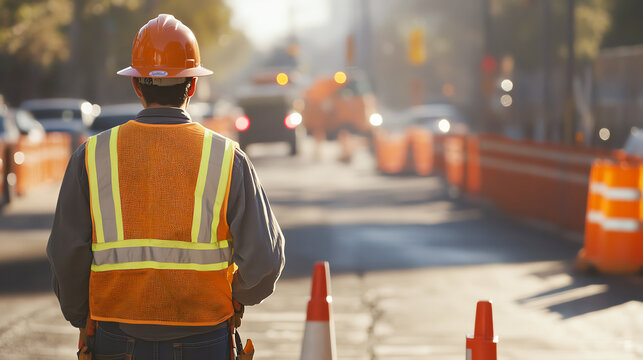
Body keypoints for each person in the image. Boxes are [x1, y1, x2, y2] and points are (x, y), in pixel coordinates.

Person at [47, 14, 285, 359]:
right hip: (204, 335)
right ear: (192, 85)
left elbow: (66, 253)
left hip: (115, 334)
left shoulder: (92, 155)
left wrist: (81, 316)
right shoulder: (226, 156)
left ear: (136, 85)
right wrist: (237, 297)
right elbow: (265, 260)